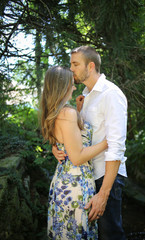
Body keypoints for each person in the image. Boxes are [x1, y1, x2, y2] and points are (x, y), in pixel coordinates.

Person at [52, 46, 128, 240]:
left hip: (105, 175)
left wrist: (103, 194)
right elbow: (74, 135)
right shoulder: (84, 96)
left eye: (75, 64)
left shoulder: (111, 94)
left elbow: (116, 147)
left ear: (91, 66)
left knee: (111, 235)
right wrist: (57, 147)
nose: (71, 69)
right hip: (85, 178)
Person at [40, 66, 108, 240]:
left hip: (63, 183)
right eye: (71, 83)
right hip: (76, 186)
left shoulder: (56, 113)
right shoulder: (67, 114)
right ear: (62, 86)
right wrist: (107, 143)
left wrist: (78, 111)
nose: (74, 87)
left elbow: (68, 140)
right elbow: (77, 157)